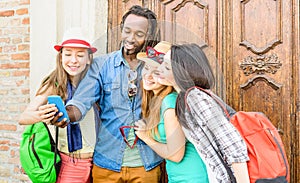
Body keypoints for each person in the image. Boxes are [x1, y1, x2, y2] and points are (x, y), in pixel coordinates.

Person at [50, 5, 163, 183]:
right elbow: (81, 102)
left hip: (147, 164)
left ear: (149, 36)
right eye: (127, 31)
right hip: (107, 165)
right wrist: (66, 114)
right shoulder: (101, 65)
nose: (131, 38)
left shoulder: (157, 66)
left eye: (139, 34)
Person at [156, 43, 250, 183]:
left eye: (167, 67)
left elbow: (233, 145)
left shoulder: (195, 97)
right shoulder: (184, 98)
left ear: (182, 71)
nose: (159, 70)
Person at [18, 28, 97, 183]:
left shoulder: (97, 82)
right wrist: (44, 115)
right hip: (71, 162)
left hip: (101, 162)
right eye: (68, 54)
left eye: (80, 55)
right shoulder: (55, 83)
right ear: (61, 57)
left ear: (88, 58)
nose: (73, 60)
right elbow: (24, 117)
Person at [134, 41, 209, 183]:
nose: (149, 75)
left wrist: (145, 137)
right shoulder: (160, 101)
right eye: (147, 67)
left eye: (156, 70)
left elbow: (176, 155)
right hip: (181, 176)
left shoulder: (170, 102)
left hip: (192, 177)